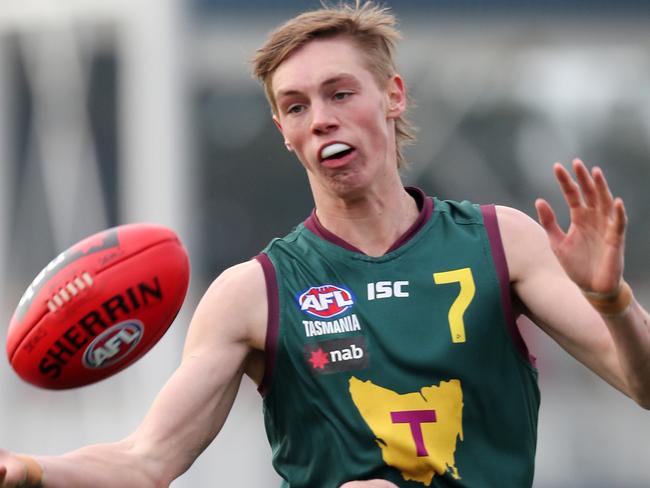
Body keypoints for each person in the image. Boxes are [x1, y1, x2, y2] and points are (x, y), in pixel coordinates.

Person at [2, 1, 649, 487]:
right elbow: (146, 462)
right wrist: (25, 470)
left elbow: (642, 386)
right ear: (282, 129)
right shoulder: (252, 294)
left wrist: (612, 299)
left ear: (392, 97)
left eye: (340, 93)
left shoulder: (502, 240)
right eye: (295, 106)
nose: (321, 119)